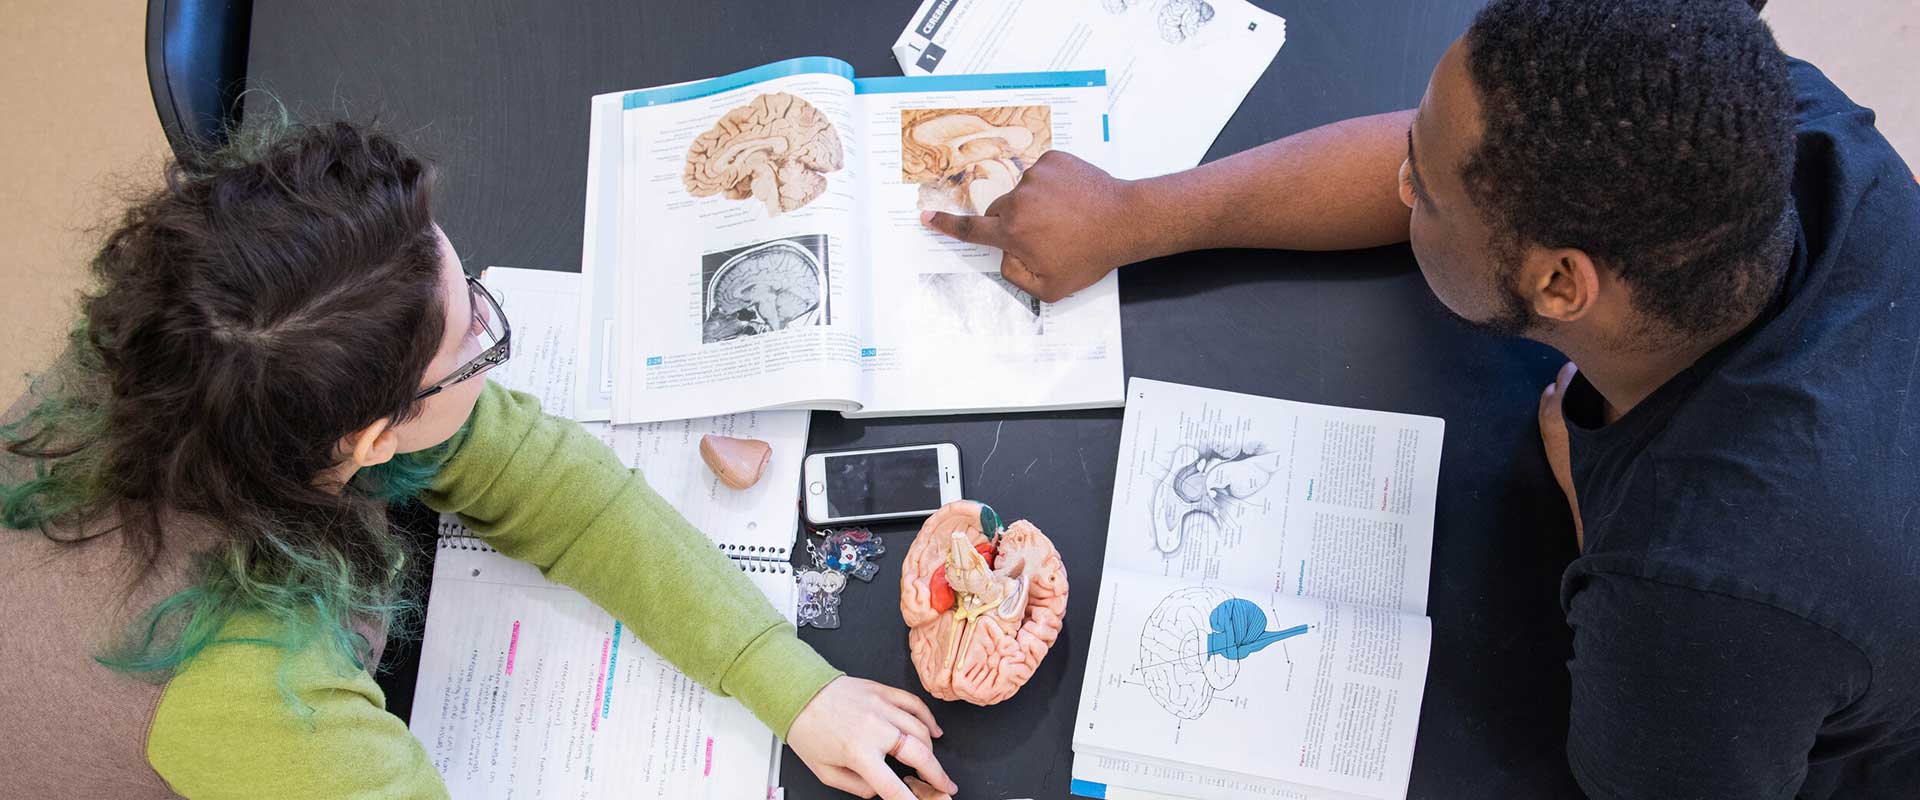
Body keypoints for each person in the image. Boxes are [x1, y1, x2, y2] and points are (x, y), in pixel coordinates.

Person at [923, 0, 1920, 796]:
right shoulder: (1766, 128)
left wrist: (1601, 507)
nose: (1398, 174)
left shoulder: (1701, 604)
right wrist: (1132, 215)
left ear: (1562, 284)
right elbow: (1442, 161)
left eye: (1426, 187)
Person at [0, 121, 958, 800]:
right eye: (473, 340)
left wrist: (783, 676)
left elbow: (545, 486)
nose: (493, 339)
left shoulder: (190, 355)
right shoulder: (256, 699)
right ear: (369, 442)